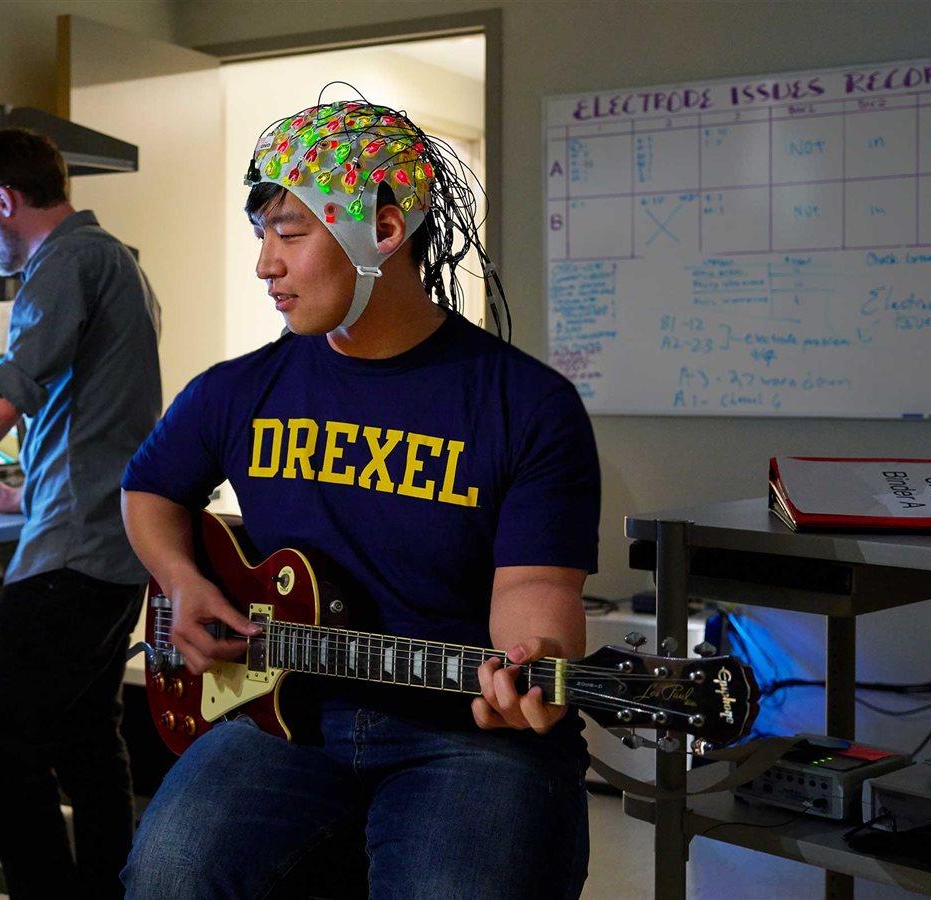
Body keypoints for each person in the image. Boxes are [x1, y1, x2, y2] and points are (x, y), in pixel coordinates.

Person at [117, 98, 600, 899]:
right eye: (262, 235)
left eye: (291, 233)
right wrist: (184, 581)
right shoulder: (238, 390)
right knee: (167, 871)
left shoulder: (526, 404)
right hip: (279, 713)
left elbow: (536, 593)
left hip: (464, 732)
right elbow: (148, 490)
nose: (265, 265)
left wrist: (530, 668)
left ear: (382, 232)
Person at [0, 127, 162, 899]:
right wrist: (28, 491)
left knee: (4, 759)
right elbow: (101, 416)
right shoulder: (116, 260)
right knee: (86, 742)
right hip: (111, 538)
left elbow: (12, 393)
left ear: (3, 201)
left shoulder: (65, 264)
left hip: (74, 552)